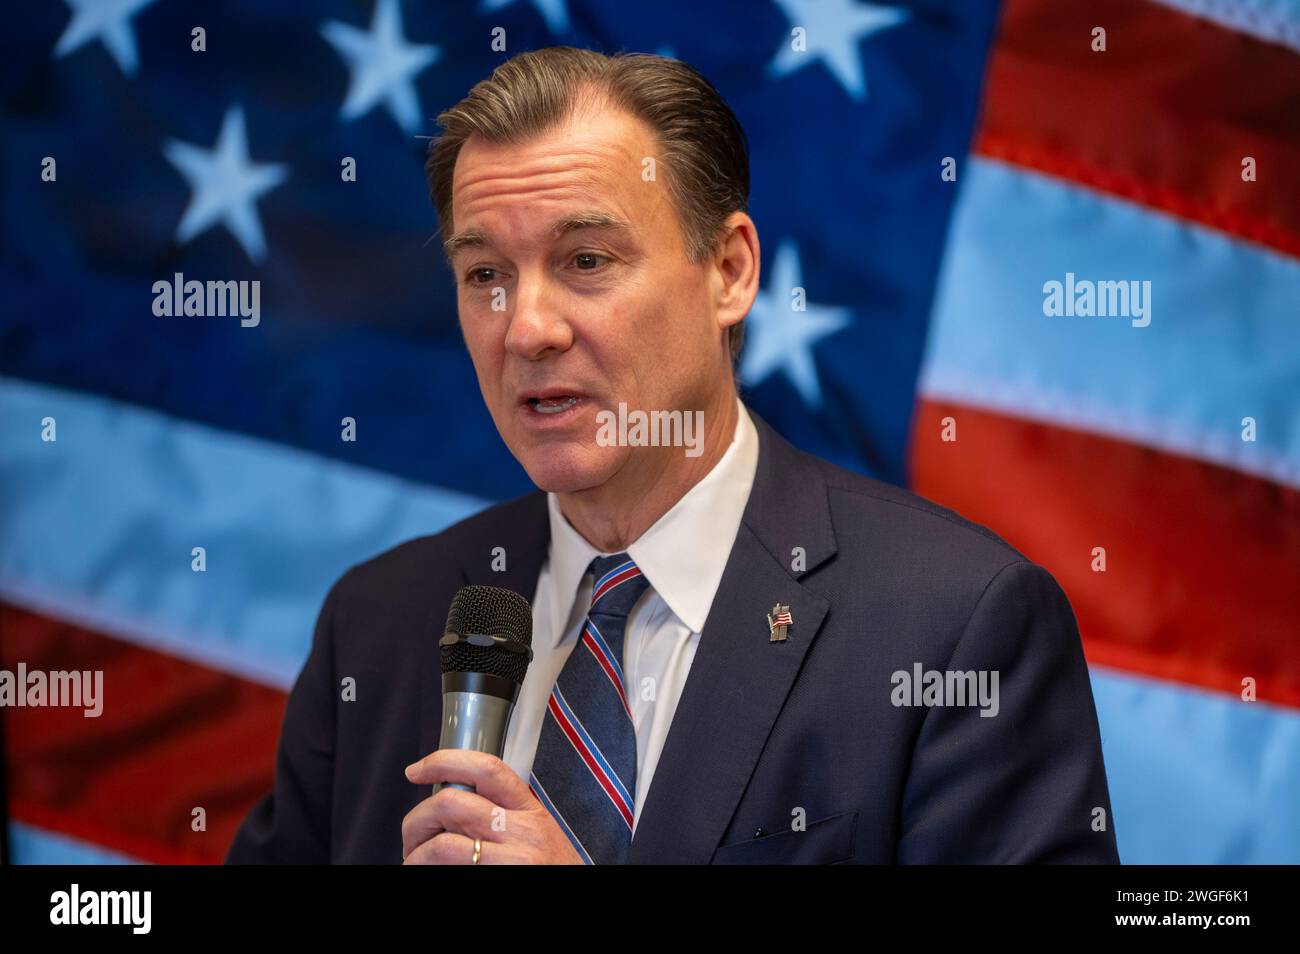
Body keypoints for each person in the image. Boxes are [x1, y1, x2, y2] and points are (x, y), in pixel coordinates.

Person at [226, 46, 1119, 865]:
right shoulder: (378, 627)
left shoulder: (954, 627)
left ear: (728, 271)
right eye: (485, 275)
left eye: (585, 259)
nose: (528, 328)